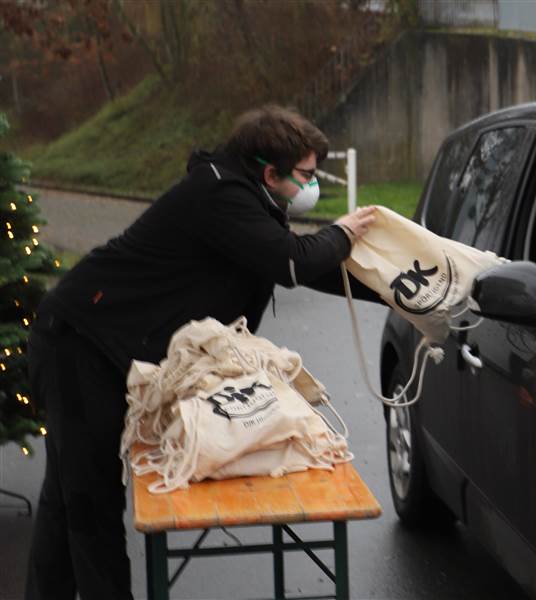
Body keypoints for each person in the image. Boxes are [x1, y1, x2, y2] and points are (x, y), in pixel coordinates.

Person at [25, 104, 381, 600]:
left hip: (100, 344)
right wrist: (340, 233)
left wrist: (399, 292)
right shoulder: (220, 195)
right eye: (306, 174)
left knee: (69, 497)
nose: (313, 184)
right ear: (269, 171)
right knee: (87, 502)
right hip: (79, 343)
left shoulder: (245, 198)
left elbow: (313, 266)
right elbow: (292, 262)